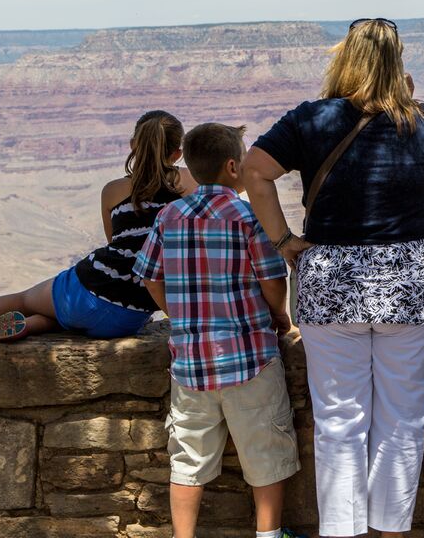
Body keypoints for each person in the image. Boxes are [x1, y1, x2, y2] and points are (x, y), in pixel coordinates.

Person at [241, 18, 424, 538]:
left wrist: (282, 240)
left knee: (339, 422)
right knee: (403, 421)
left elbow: (254, 170)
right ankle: (391, 531)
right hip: (411, 286)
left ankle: (342, 531)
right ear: (399, 65)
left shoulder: (311, 120)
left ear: (344, 59)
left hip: (332, 280)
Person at [132, 123, 302, 538]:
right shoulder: (247, 216)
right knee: (265, 451)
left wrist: (179, 313)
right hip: (251, 358)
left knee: (188, 458)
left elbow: (150, 276)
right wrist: (279, 315)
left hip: (190, 364)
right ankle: (269, 534)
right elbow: (271, 278)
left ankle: (183, 535)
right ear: (232, 167)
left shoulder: (169, 215)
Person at [0, 110, 195, 347]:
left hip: (85, 293)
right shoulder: (192, 183)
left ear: (133, 145)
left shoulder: (113, 191)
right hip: (129, 317)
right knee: (67, 319)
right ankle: (27, 327)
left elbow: (115, 243)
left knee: (24, 300)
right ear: (177, 154)